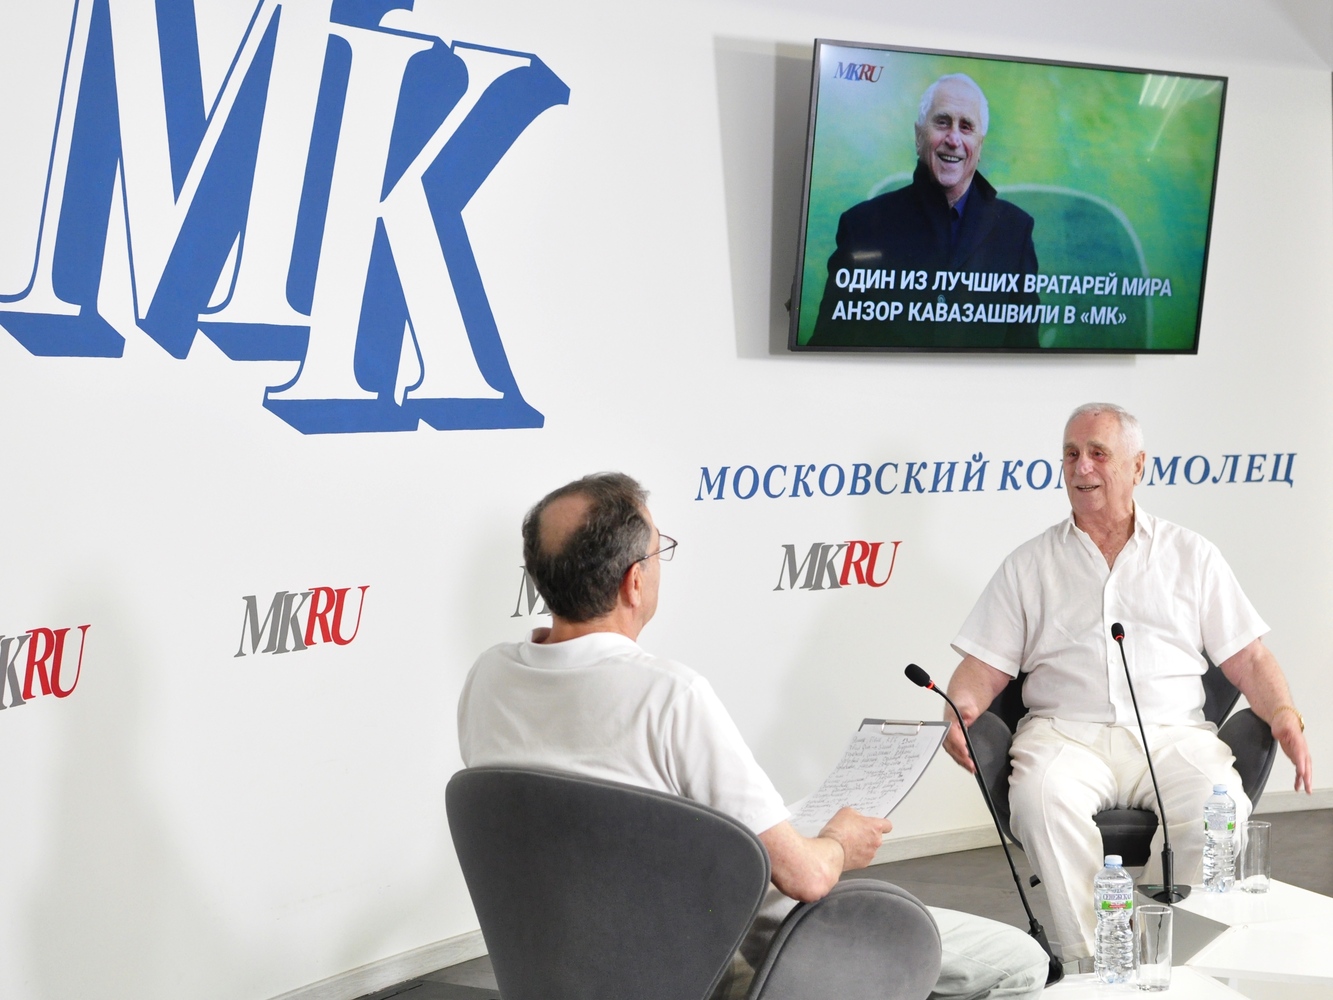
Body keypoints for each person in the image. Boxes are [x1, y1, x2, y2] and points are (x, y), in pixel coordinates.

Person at [459, 472, 1048, 1000]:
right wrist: (839, 840)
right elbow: (806, 877)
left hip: (566, 969)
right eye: (659, 550)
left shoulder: (489, 679)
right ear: (635, 582)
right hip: (710, 966)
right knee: (1019, 964)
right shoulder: (668, 695)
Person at [945, 402, 1314, 962]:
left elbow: (1250, 658)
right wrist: (960, 710)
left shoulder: (1191, 554)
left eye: (1098, 453)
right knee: (1041, 801)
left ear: (1138, 465)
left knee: (1220, 810)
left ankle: (1172, 952)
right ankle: (1097, 960)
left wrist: (1284, 715)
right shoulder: (1028, 564)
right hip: (1064, 735)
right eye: (1071, 454)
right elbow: (983, 666)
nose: (1081, 467)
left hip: (1173, 735)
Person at [809, 73, 1039, 349]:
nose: (953, 138)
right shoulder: (861, 226)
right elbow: (828, 346)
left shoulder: (1016, 230)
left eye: (966, 127)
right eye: (942, 122)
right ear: (919, 136)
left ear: (979, 146)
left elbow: (1024, 352)